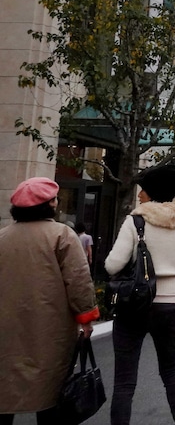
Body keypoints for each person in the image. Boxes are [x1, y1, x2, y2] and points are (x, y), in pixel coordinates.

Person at [104, 165, 175, 425]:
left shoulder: (135, 221)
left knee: (124, 382)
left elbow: (113, 265)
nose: (139, 193)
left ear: (152, 191)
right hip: (170, 305)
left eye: (143, 189)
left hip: (134, 306)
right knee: (171, 371)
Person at [0, 177, 100, 425]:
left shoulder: (2, 236)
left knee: (5, 389)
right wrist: (86, 318)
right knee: (51, 394)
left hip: (6, 328)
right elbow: (78, 280)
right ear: (50, 204)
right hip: (50, 328)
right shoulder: (61, 235)